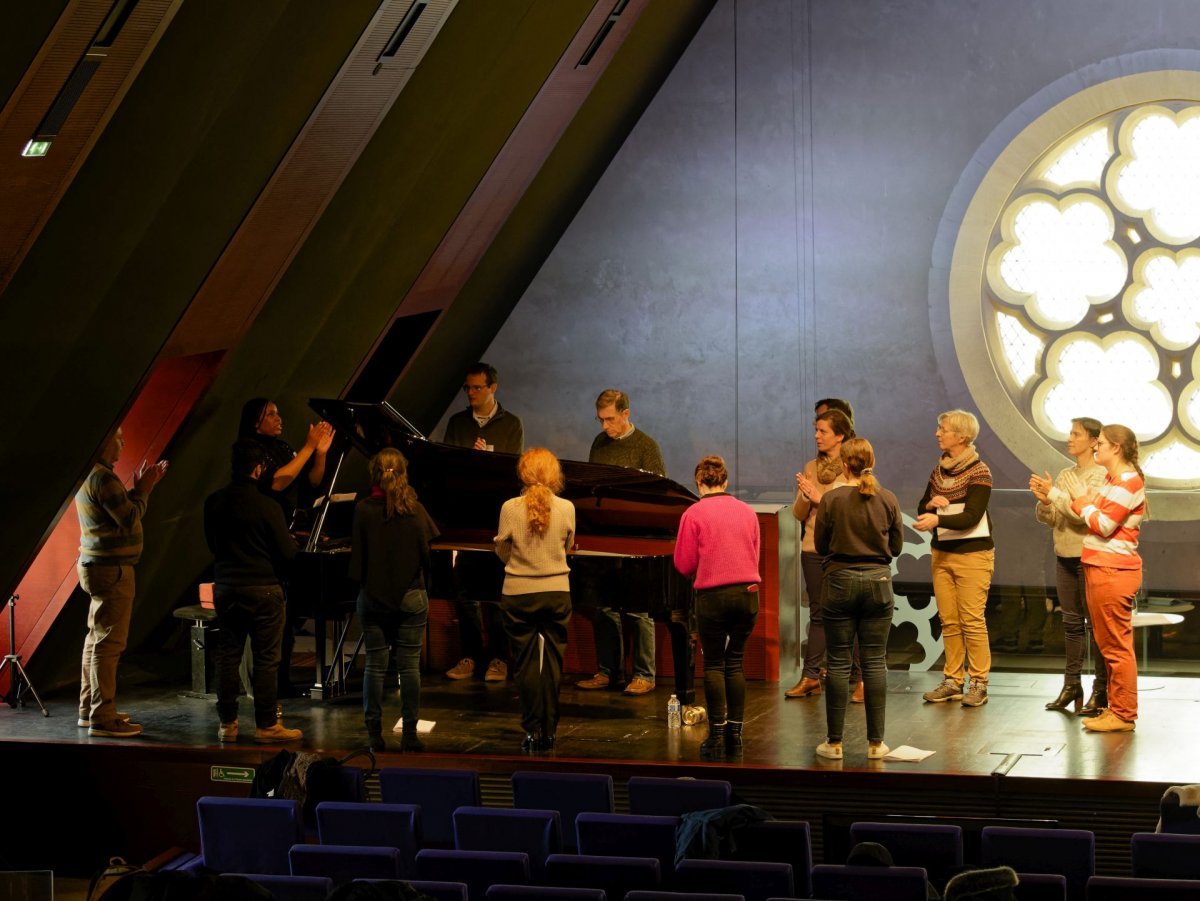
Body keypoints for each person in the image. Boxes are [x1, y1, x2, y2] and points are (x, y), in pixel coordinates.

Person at [203, 439, 302, 743]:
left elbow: (212, 545)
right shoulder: (268, 506)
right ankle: (266, 725)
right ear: (259, 469)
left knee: (228, 656)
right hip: (263, 590)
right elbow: (286, 554)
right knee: (266, 659)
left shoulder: (214, 502)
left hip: (227, 588)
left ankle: (227, 724)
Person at [812, 437, 902, 760]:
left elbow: (821, 546)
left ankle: (834, 744)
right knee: (875, 661)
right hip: (878, 584)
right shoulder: (888, 499)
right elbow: (896, 548)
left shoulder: (832, 500)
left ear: (844, 465)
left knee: (838, 662)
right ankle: (876, 744)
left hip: (839, 582)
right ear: (870, 463)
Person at [237, 397, 334, 697]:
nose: (279, 419)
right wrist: (307, 447)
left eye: (279, 413)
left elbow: (311, 483)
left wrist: (319, 454)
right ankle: (265, 684)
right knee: (271, 618)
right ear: (256, 421)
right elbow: (278, 482)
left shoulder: (283, 447)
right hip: (263, 544)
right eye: (272, 415)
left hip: (287, 535)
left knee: (289, 615)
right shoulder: (250, 449)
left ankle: (283, 680)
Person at [76, 427, 168, 738]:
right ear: (102, 441)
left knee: (96, 639)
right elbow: (129, 517)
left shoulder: (93, 474)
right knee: (109, 644)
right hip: (111, 569)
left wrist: (138, 489)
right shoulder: (103, 477)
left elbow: (117, 513)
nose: (123, 441)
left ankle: (89, 709)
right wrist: (145, 488)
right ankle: (103, 716)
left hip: (96, 566)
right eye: (117, 436)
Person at [349, 448, 439, 752]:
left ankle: (374, 734)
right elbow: (427, 556)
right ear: (403, 473)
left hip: (373, 598)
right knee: (409, 667)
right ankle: (410, 734)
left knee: (375, 665)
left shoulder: (362, 509)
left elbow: (357, 562)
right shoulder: (416, 509)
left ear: (374, 473)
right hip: (410, 597)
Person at [577, 389, 665, 696]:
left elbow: (658, 494)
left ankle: (644, 674)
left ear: (626, 414)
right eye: (600, 420)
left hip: (635, 539)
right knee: (604, 608)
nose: (605, 426)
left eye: (610, 419)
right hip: (603, 537)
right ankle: (608, 671)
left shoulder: (646, 446)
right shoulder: (599, 443)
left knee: (639, 610)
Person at [673, 455, 761, 759]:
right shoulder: (748, 512)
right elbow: (754, 553)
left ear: (699, 482)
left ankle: (716, 734)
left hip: (712, 596)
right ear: (725, 481)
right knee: (735, 663)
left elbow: (683, 564)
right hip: (747, 594)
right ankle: (736, 735)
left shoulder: (694, 513)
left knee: (713, 664)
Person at [441, 362, 523, 684]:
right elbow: (449, 464)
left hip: (497, 519)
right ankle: (471, 655)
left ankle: (500, 659)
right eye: (468, 388)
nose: (471, 393)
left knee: (498, 594)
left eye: (477, 388)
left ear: (493, 388)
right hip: (465, 516)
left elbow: (512, 469)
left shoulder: (511, 423)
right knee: (465, 592)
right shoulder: (458, 423)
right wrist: (467, 459)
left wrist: (486, 455)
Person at [1061, 423, 1146, 733]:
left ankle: (1123, 713)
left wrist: (1083, 501)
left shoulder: (1127, 482)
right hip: (1102, 567)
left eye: (1102, 443)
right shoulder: (1114, 481)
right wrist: (1086, 502)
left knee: (1116, 646)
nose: (1096, 447)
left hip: (1113, 570)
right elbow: (1096, 516)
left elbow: (1104, 524)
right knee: (1109, 643)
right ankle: (1116, 708)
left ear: (1117, 449)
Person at [495, 448, 576, 752]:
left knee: (526, 665)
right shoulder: (567, 507)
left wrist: (518, 561)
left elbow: (502, 548)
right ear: (554, 475)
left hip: (518, 593)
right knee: (553, 663)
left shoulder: (509, 508)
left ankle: (531, 730)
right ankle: (550, 730)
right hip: (557, 592)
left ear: (523, 473)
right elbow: (568, 545)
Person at [914, 409, 995, 708]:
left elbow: (972, 517)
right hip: (943, 552)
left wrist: (938, 521)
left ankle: (979, 682)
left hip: (973, 555)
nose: (937, 433)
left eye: (943, 429)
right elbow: (922, 504)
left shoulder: (979, 472)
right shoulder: (939, 470)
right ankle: (953, 680)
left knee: (972, 620)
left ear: (961, 436)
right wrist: (931, 504)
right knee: (949, 621)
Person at [1029, 416, 1108, 714]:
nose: (1070, 438)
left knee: (1096, 626)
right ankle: (1072, 684)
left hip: (1088, 557)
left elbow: (1081, 514)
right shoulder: (1065, 474)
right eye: (1070, 433)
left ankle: (1101, 689)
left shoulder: (1100, 476)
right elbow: (1056, 518)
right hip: (1064, 557)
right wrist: (1045, 502)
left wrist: (1055, 495)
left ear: (1092, 441)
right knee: (1071, 625)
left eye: (1076, 434)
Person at [787, 406, 857, 699]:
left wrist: (820, 498)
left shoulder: (853, 466)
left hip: (843, 549)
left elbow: (852, 510)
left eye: (823, 431)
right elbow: (798, 513)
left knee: (849, 613)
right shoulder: (811, 467)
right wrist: (806, 496)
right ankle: (811, 676)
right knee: (818, 612)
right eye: (815, 430)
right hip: (813, 547)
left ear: (839, 435)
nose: (817, 436)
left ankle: (857, 676)